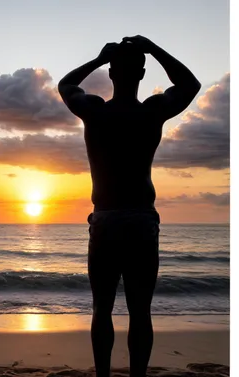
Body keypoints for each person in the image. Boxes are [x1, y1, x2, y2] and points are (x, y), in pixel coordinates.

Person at [58, 36, 201, 377]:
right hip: (139, 218)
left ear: (111, 73)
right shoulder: (151, 111)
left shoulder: (95, 110)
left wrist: (96, 58)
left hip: (106, 218)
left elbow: (66, 85)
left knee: (102, 308)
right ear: (141, 72)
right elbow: (190, 84)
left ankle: (104, 374)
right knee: (140, 311)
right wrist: (153, 48)